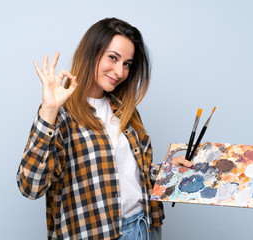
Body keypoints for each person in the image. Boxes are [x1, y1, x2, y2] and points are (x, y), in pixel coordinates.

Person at [16, 17, 192, 240]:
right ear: (91, 52)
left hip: (142, 226)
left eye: (127, 64)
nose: (119, 72)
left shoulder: (124, 110)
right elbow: (30, 187)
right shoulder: (60, 113)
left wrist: (167, 171)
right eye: (113, 58)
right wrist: (49, 110)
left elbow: (130, 175)